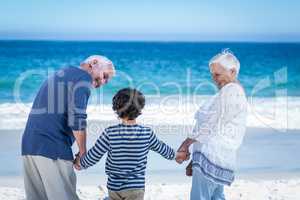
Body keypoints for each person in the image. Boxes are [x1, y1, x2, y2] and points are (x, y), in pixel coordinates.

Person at [21, 55, 115, 200]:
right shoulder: (83, 79)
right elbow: (77, 119)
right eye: (104, 76)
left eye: (107, 80)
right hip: (51, 148)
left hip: (29, 146)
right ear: (93, 63)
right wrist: (83, 152)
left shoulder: (62, 73)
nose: (103, 82)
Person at [74, 88, 188, 200]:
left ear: (116, 109)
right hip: (136, 188)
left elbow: (94, 156)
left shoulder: (110, 133)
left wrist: (81, 163)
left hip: (114, 187)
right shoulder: (146, 133)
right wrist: (179, 155)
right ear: (139, 110)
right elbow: (164, 150)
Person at [176, 49, 248, 200]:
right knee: (217, 197)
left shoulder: (231, 91)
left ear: (233, 71)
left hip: (211, 158)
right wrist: (194, 161)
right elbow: (216, 128)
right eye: (212, 74)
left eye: (217, 74)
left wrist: (185, 143)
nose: (214, 78)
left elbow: (211, 124)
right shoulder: (233, 92)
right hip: (216, 158)